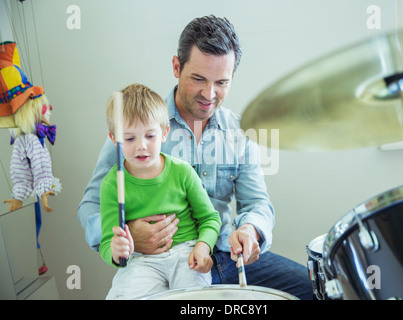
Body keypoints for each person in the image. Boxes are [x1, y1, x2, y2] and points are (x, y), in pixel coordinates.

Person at [78, 15, 313, 300]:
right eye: (199, 79)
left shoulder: (239, 132)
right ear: (177, 67)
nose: (209, 94)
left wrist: (251, 230)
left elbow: (257, 203)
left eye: (222, 82)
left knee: (314, 288)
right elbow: (90, 206)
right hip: (166, 261)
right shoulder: (137, 128)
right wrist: (127, 234)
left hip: (228, 254)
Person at [100, 83, 221, 299]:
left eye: (150, 136)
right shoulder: (111, 185)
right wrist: (116, 252)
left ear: (164, 132)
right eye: (129, 138)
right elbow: (108, 242)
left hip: (186, 252)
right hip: (141, 259)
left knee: (195, 300)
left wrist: (203, 247)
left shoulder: (182, 171)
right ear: (114, 139)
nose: (141, 146)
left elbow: (210, 219)